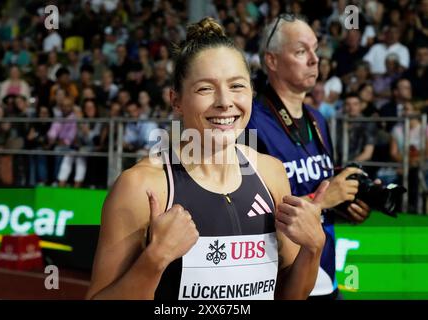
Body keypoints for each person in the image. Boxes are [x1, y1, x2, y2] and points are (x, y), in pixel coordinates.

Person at [87, 17, 328, 300]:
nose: (225, 101)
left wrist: (314, 247)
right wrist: (154, 260)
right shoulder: (143, 187)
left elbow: (289, 295)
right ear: (175, 100)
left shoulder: (270, 172)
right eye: (205, 88)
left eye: (237, 86)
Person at [247, 14, 372, 299]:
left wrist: (345, 205)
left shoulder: (317, 119)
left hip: (326, 272)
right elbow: (245, 216)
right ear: (272, 61)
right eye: (301, 51)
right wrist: (324, 199)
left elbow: (318, 189)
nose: (315, 59)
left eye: (315, 49)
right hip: (281, 279)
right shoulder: (251, 121)